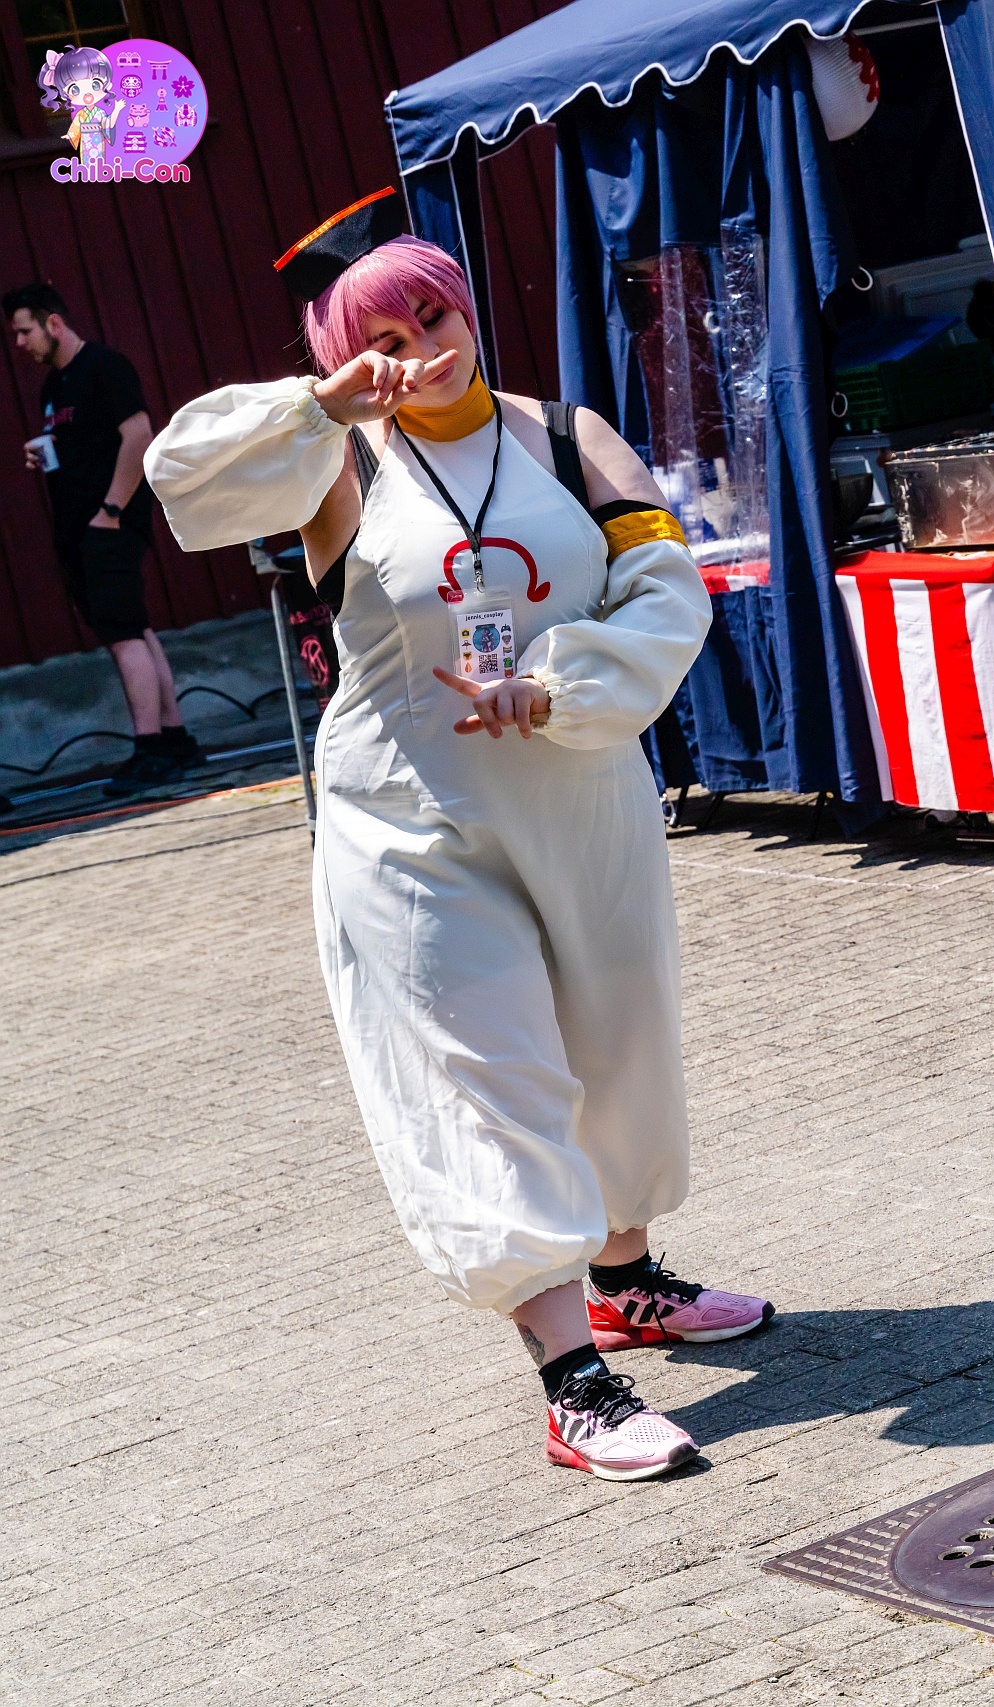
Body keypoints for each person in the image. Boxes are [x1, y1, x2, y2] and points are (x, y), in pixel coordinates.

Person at [145, 192, 770, 1481]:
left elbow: (664, 585)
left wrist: (566, 684)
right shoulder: (334, 459)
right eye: (383, 332)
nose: (421, 345)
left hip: (579, 783)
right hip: (407, 819)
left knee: (619, 1039)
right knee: (487, 1073)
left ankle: (626, 1280)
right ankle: (571, 1379)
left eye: (435, 313)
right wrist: (323, 404)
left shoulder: (563, 432)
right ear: (342, 350)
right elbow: (183, 477)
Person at [8, 283, 199, 797]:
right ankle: (176, 736)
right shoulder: (53, 387)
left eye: (24, 330)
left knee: (122, 636)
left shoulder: (105, 366)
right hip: (81, 526)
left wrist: (111, 510)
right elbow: (85, 442)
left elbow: (138, 434)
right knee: (132, 625)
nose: (19, 343)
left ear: (52, 323)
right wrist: (46, 452)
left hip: (108, 522)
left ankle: (150, 748)